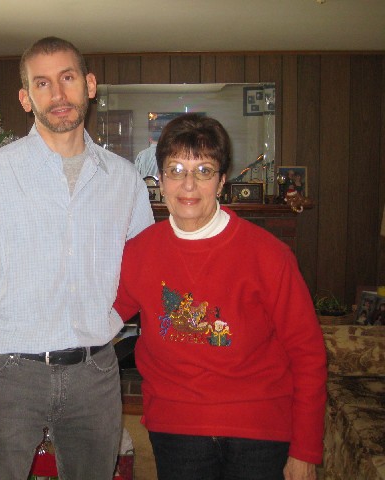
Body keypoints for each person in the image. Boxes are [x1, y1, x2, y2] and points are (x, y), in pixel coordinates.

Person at [0, 36, 154, 479]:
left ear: (89, 85)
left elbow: (146, 272)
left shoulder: (124, 180)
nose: (58, 94)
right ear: (25, 97)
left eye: (67, 78)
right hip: (6, 376)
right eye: (42, 83)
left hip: (94, 374)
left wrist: (110, 321)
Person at [112, 113, 327, 480]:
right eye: (176, 170)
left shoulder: (269, 255)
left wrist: (305, 448)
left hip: (259, 429)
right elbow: (99, 317)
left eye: (204, 171)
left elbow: (307, 353)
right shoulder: (138, 253)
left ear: (222, 180)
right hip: (177, 429)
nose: (189, 184)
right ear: (160, 179)